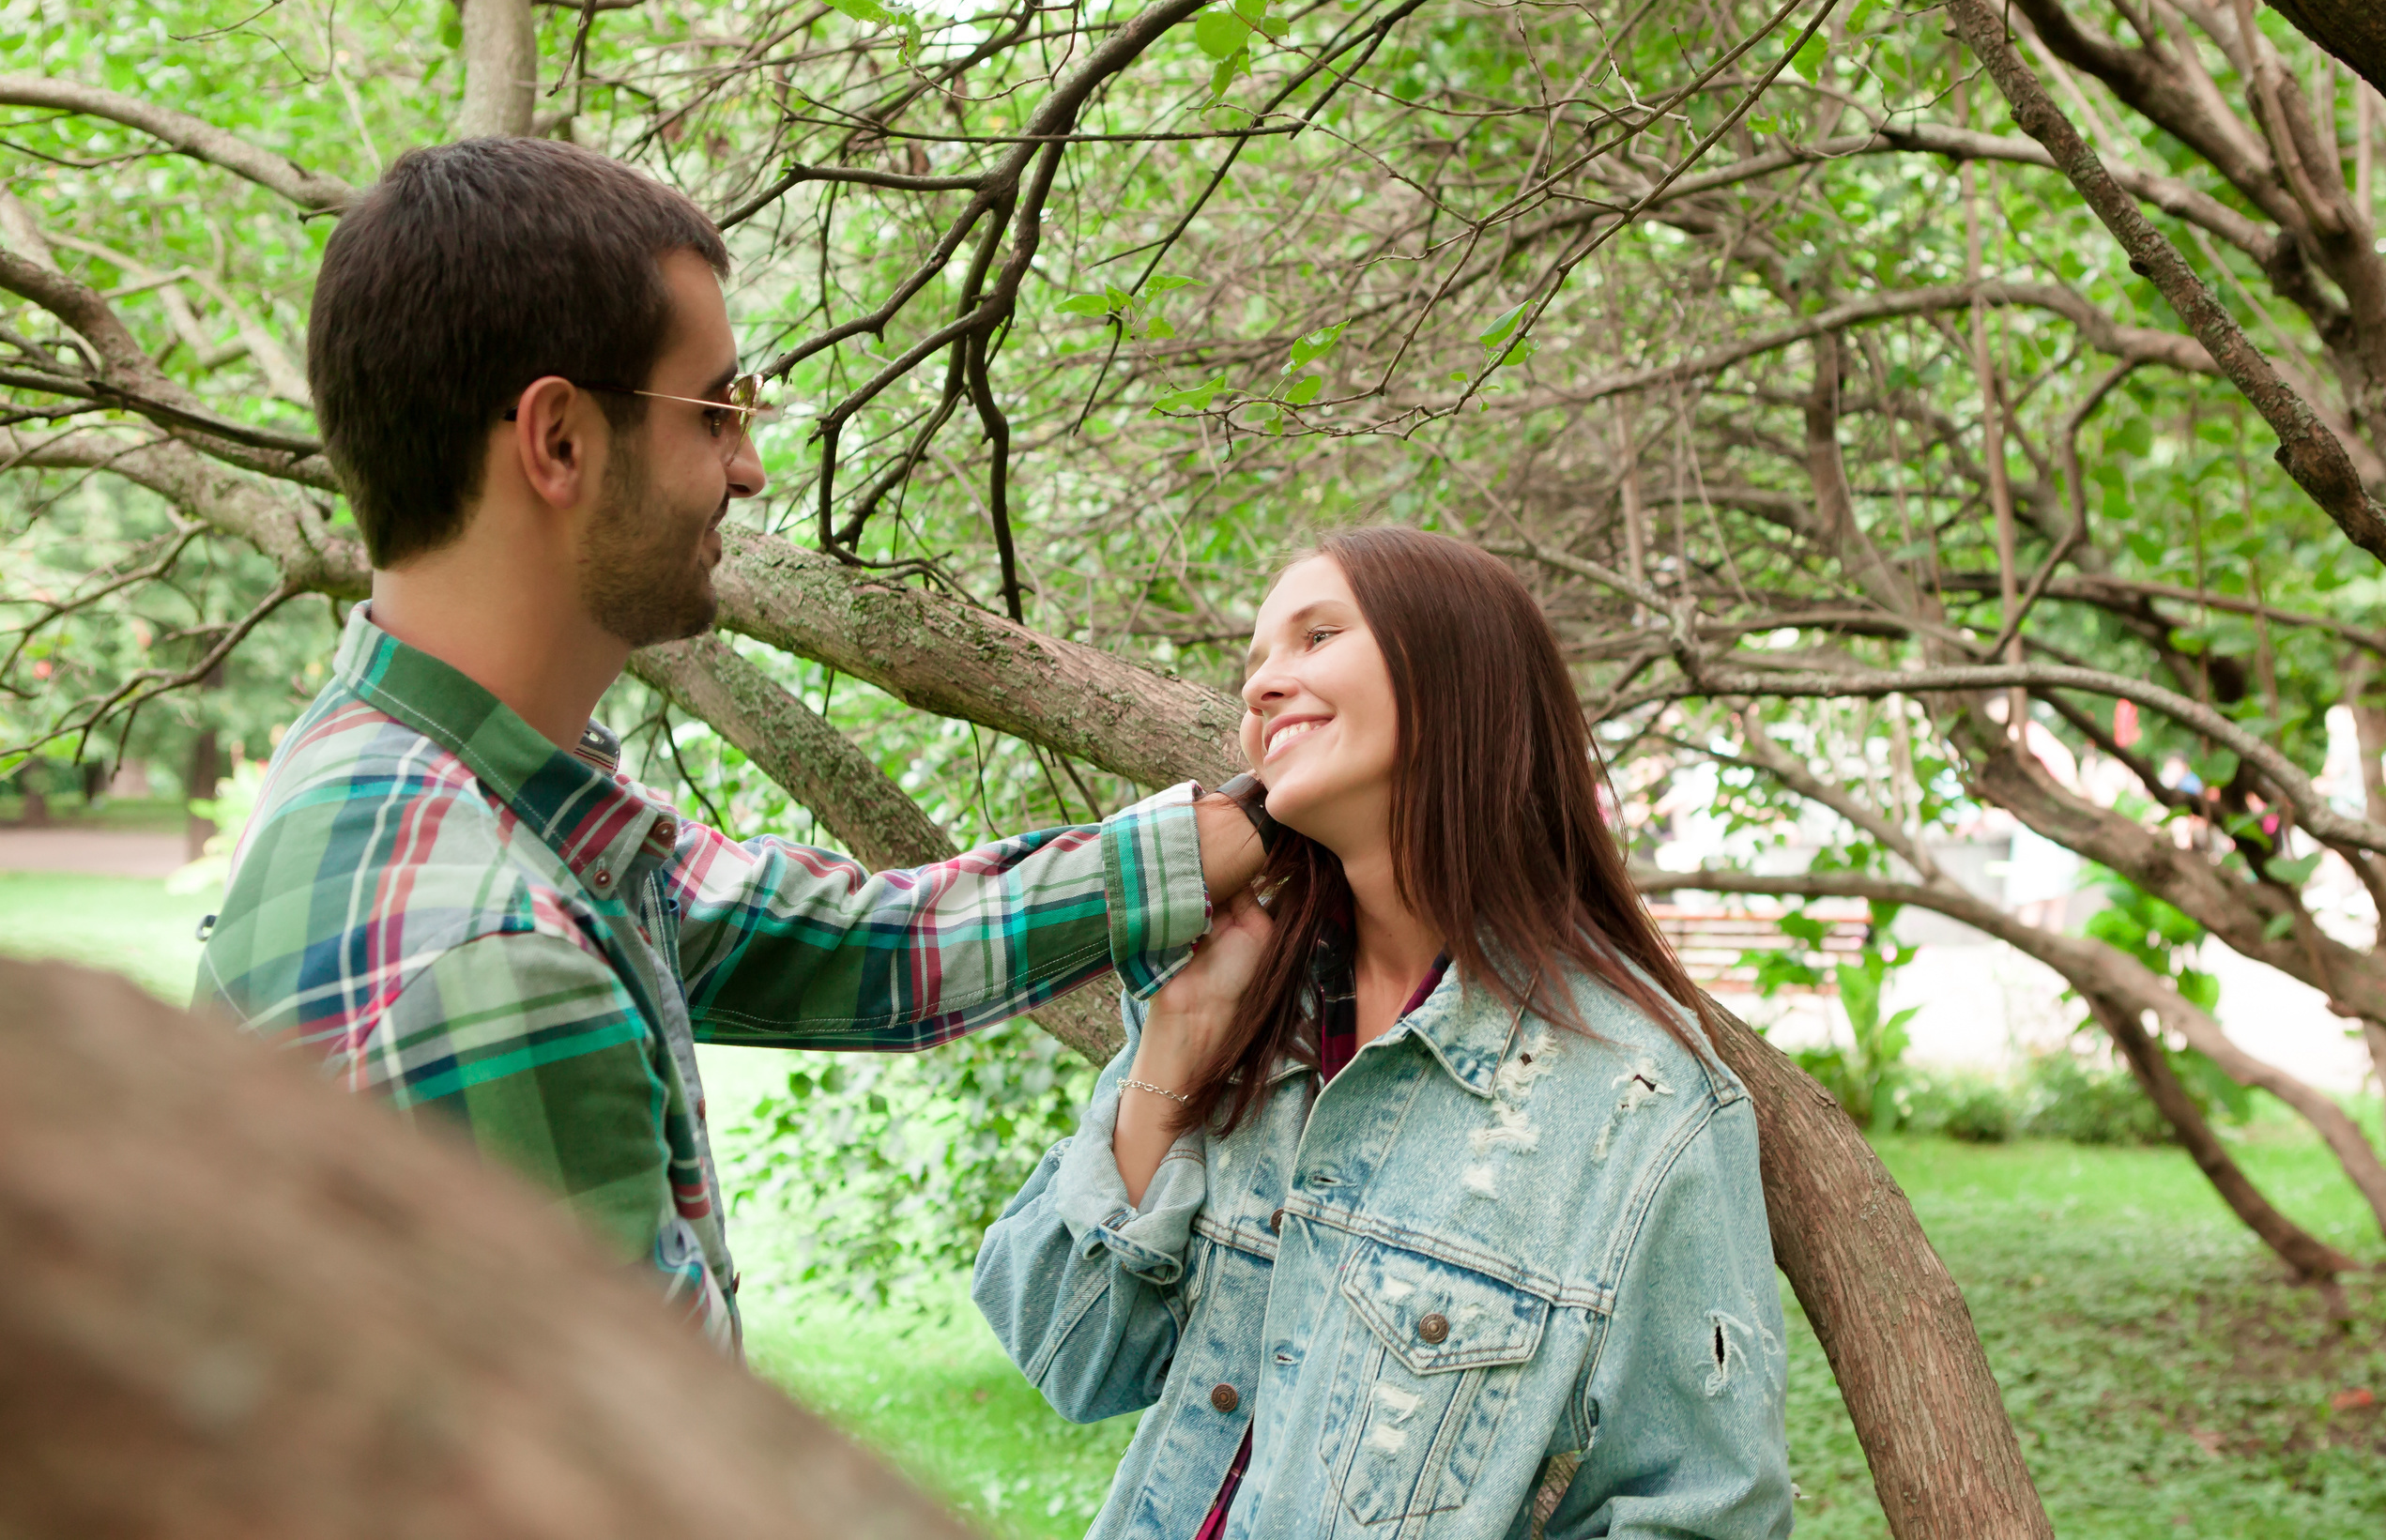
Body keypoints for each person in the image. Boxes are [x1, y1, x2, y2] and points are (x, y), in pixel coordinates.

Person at [193, 137, 1268, 1351]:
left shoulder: (397, 773)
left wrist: (1194, 847)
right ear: (558, 442)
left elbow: (843, 942)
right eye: (716, 410)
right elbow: (648, 1485)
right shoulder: (497, 961)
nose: (748, 469)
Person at [974, 528, 1791, 1539]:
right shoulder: (1246, 1019)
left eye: (1317, 637)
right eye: (1254, 666)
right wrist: (1175, 1046)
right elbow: (1072, 1352)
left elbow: (1696, 1512)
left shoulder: (1639, 1104)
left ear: (1459, 675)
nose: (1264, 686)